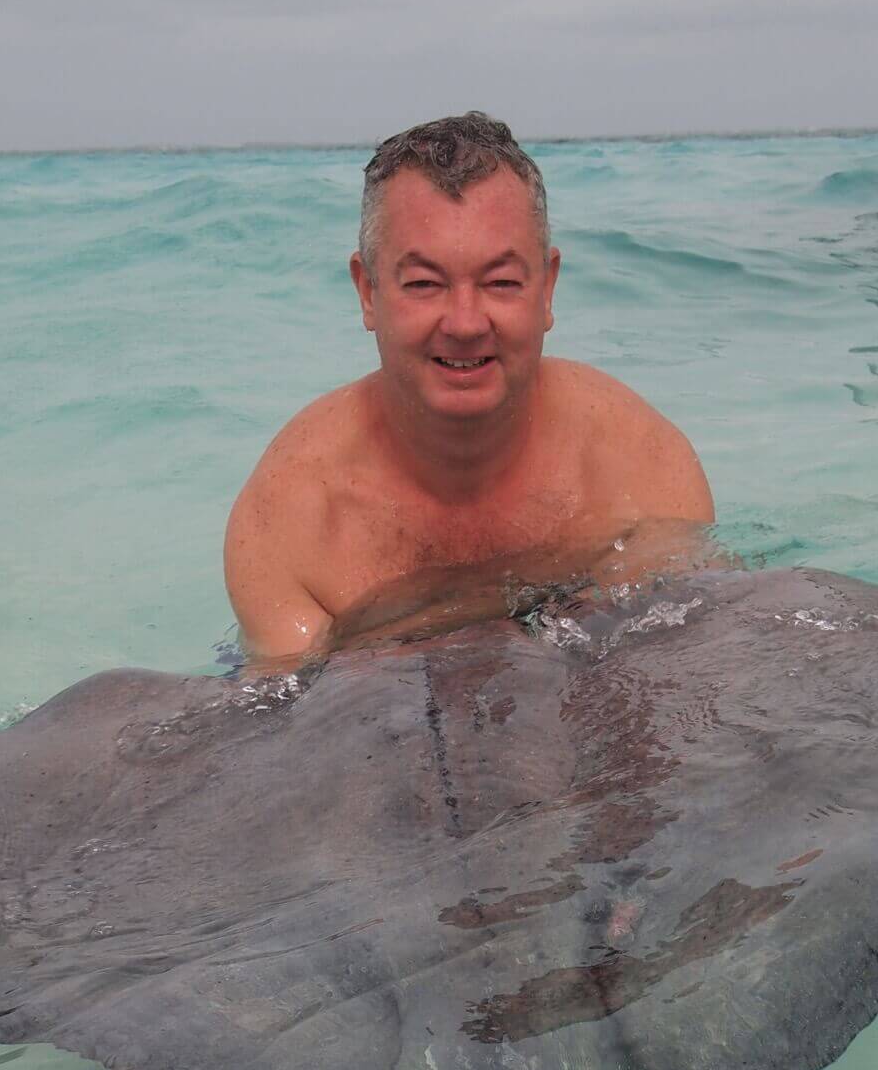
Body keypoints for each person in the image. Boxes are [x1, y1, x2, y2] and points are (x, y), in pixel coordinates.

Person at [225, 111, 715, 663]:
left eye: (501, 282)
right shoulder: (289, 522)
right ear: (368, 292)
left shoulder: (639, 466)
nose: (464, 323)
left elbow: (682, 669)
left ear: (547, 289)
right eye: (425, 284)